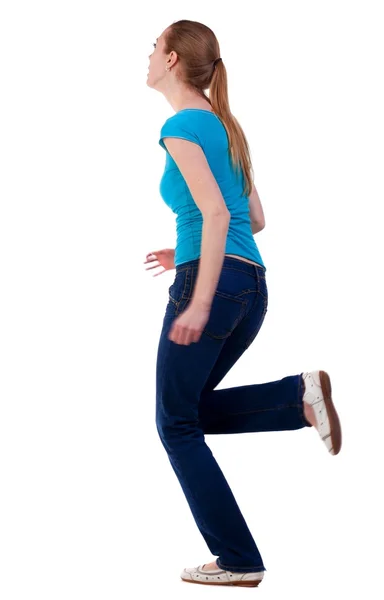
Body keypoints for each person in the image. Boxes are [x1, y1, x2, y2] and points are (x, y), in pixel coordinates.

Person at [144, 20, 342, 587]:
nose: (148, 56)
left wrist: (199, 298)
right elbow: (254, 219)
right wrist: (182, 248)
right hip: (251, 285)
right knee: (184, 414)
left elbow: (218, 215)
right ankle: (295, 399)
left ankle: (238, 559)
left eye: (153, 47)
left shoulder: (180, 125)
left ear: (175, 59)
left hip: (215, 286)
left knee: (175, 425)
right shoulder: (226, 125)